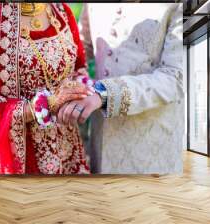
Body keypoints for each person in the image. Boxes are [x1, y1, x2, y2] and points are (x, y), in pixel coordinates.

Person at [58, 3, 184, 174]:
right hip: (101, 139)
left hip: (151, 146)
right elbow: (80, 52)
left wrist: (105, 93)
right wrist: (75, 85)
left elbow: (174, 79)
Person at [0, 3, 91, 174]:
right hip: (19, 156)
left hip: (68, 152)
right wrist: (41, 106)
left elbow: (79, 67)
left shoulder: (62, 10)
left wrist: (79, 92)